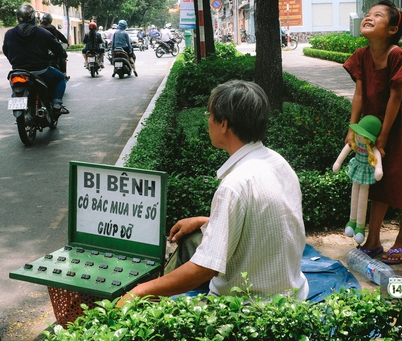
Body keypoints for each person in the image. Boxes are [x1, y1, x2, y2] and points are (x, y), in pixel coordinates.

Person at [118, 80, 308, 306]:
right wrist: (205, 220)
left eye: (210, 114)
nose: (208, 120)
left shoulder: (235, 185)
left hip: (248, 309)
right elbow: (265, 218)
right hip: (293, 295)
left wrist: (140, 291)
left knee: (154, 312)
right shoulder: (278, 163)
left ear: (224, 124)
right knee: (192, 238)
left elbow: (204, 268)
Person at [341, 0, 402, 265]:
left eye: (377, 15)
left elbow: (395, 96)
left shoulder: (397, 55)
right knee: (376, 180)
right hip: (372, 128)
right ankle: (374, 240)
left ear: (392, 29)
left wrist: (385, 136)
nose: (368, 17)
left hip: (399, 127)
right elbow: (358, 95)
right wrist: (352, 130)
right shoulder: (362, 56)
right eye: (368, 14)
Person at [2, 4, 69, 116]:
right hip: (41, 71)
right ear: (33, 17)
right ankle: (57, 104)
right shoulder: (42, 32)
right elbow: (58, 48)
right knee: (60, 78)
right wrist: (62, 54)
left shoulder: (9, 33)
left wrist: (15, 62)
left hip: (18, 71)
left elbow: (6, 50)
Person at [332, 115, 384, 245]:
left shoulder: (372, 149)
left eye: (363, 135)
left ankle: (360, 226)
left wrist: (378, 170)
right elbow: (345, 150)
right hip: (357, 169)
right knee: (354, 194)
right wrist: (337, 163)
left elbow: (378, 159)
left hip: (366, 172)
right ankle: (351, 221)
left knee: (363, 198)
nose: (359, 137)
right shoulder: (356, 144)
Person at [39, 13, 69, 78]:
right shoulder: (52, 28)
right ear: (50, 20)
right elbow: (61, 37)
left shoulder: (38, 28)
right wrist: (67, 43)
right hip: (53, 50)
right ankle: (63, 73)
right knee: (63, 56)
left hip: (40, 51)